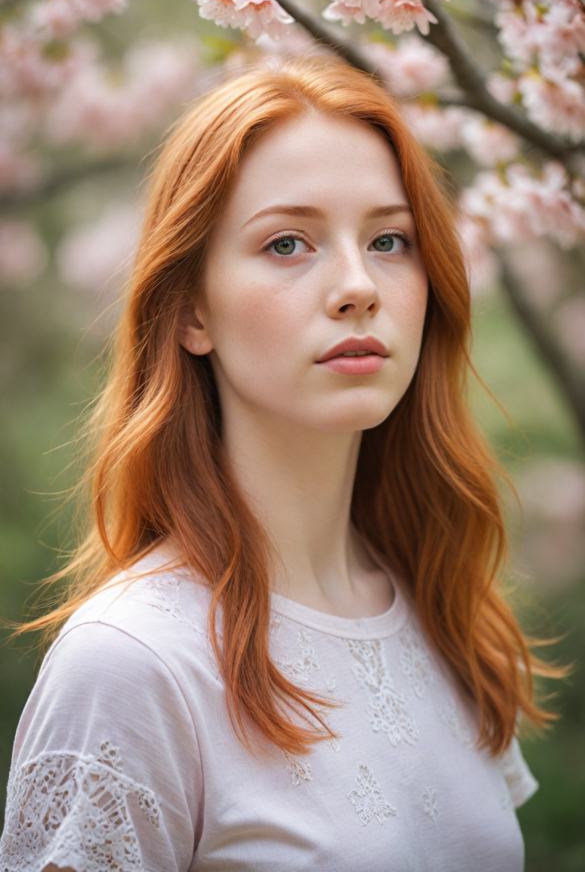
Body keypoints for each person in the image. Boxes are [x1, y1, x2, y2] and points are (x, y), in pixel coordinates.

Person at [0, 58, 553, 872]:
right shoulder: (132, 663)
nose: (358, 285)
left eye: (388, 240)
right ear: (190, 309)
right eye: (287, 243)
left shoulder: (440, 610)